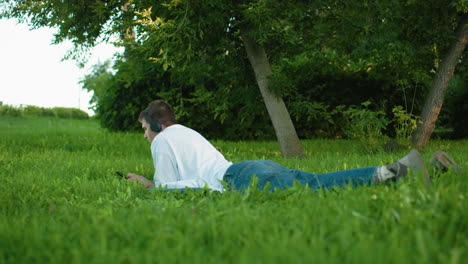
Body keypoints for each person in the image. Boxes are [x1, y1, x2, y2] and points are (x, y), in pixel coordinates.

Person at [127, 100, 460, 192]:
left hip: (240, 179)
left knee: (320, 184)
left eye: (145, 128)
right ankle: (424, 172)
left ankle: (403, 169)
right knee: (316, 182)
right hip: (252, 168)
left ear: (156, 123)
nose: (145, 136)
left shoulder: (163, 140)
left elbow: (172, 188)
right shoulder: (186, 132)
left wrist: (148, 187)